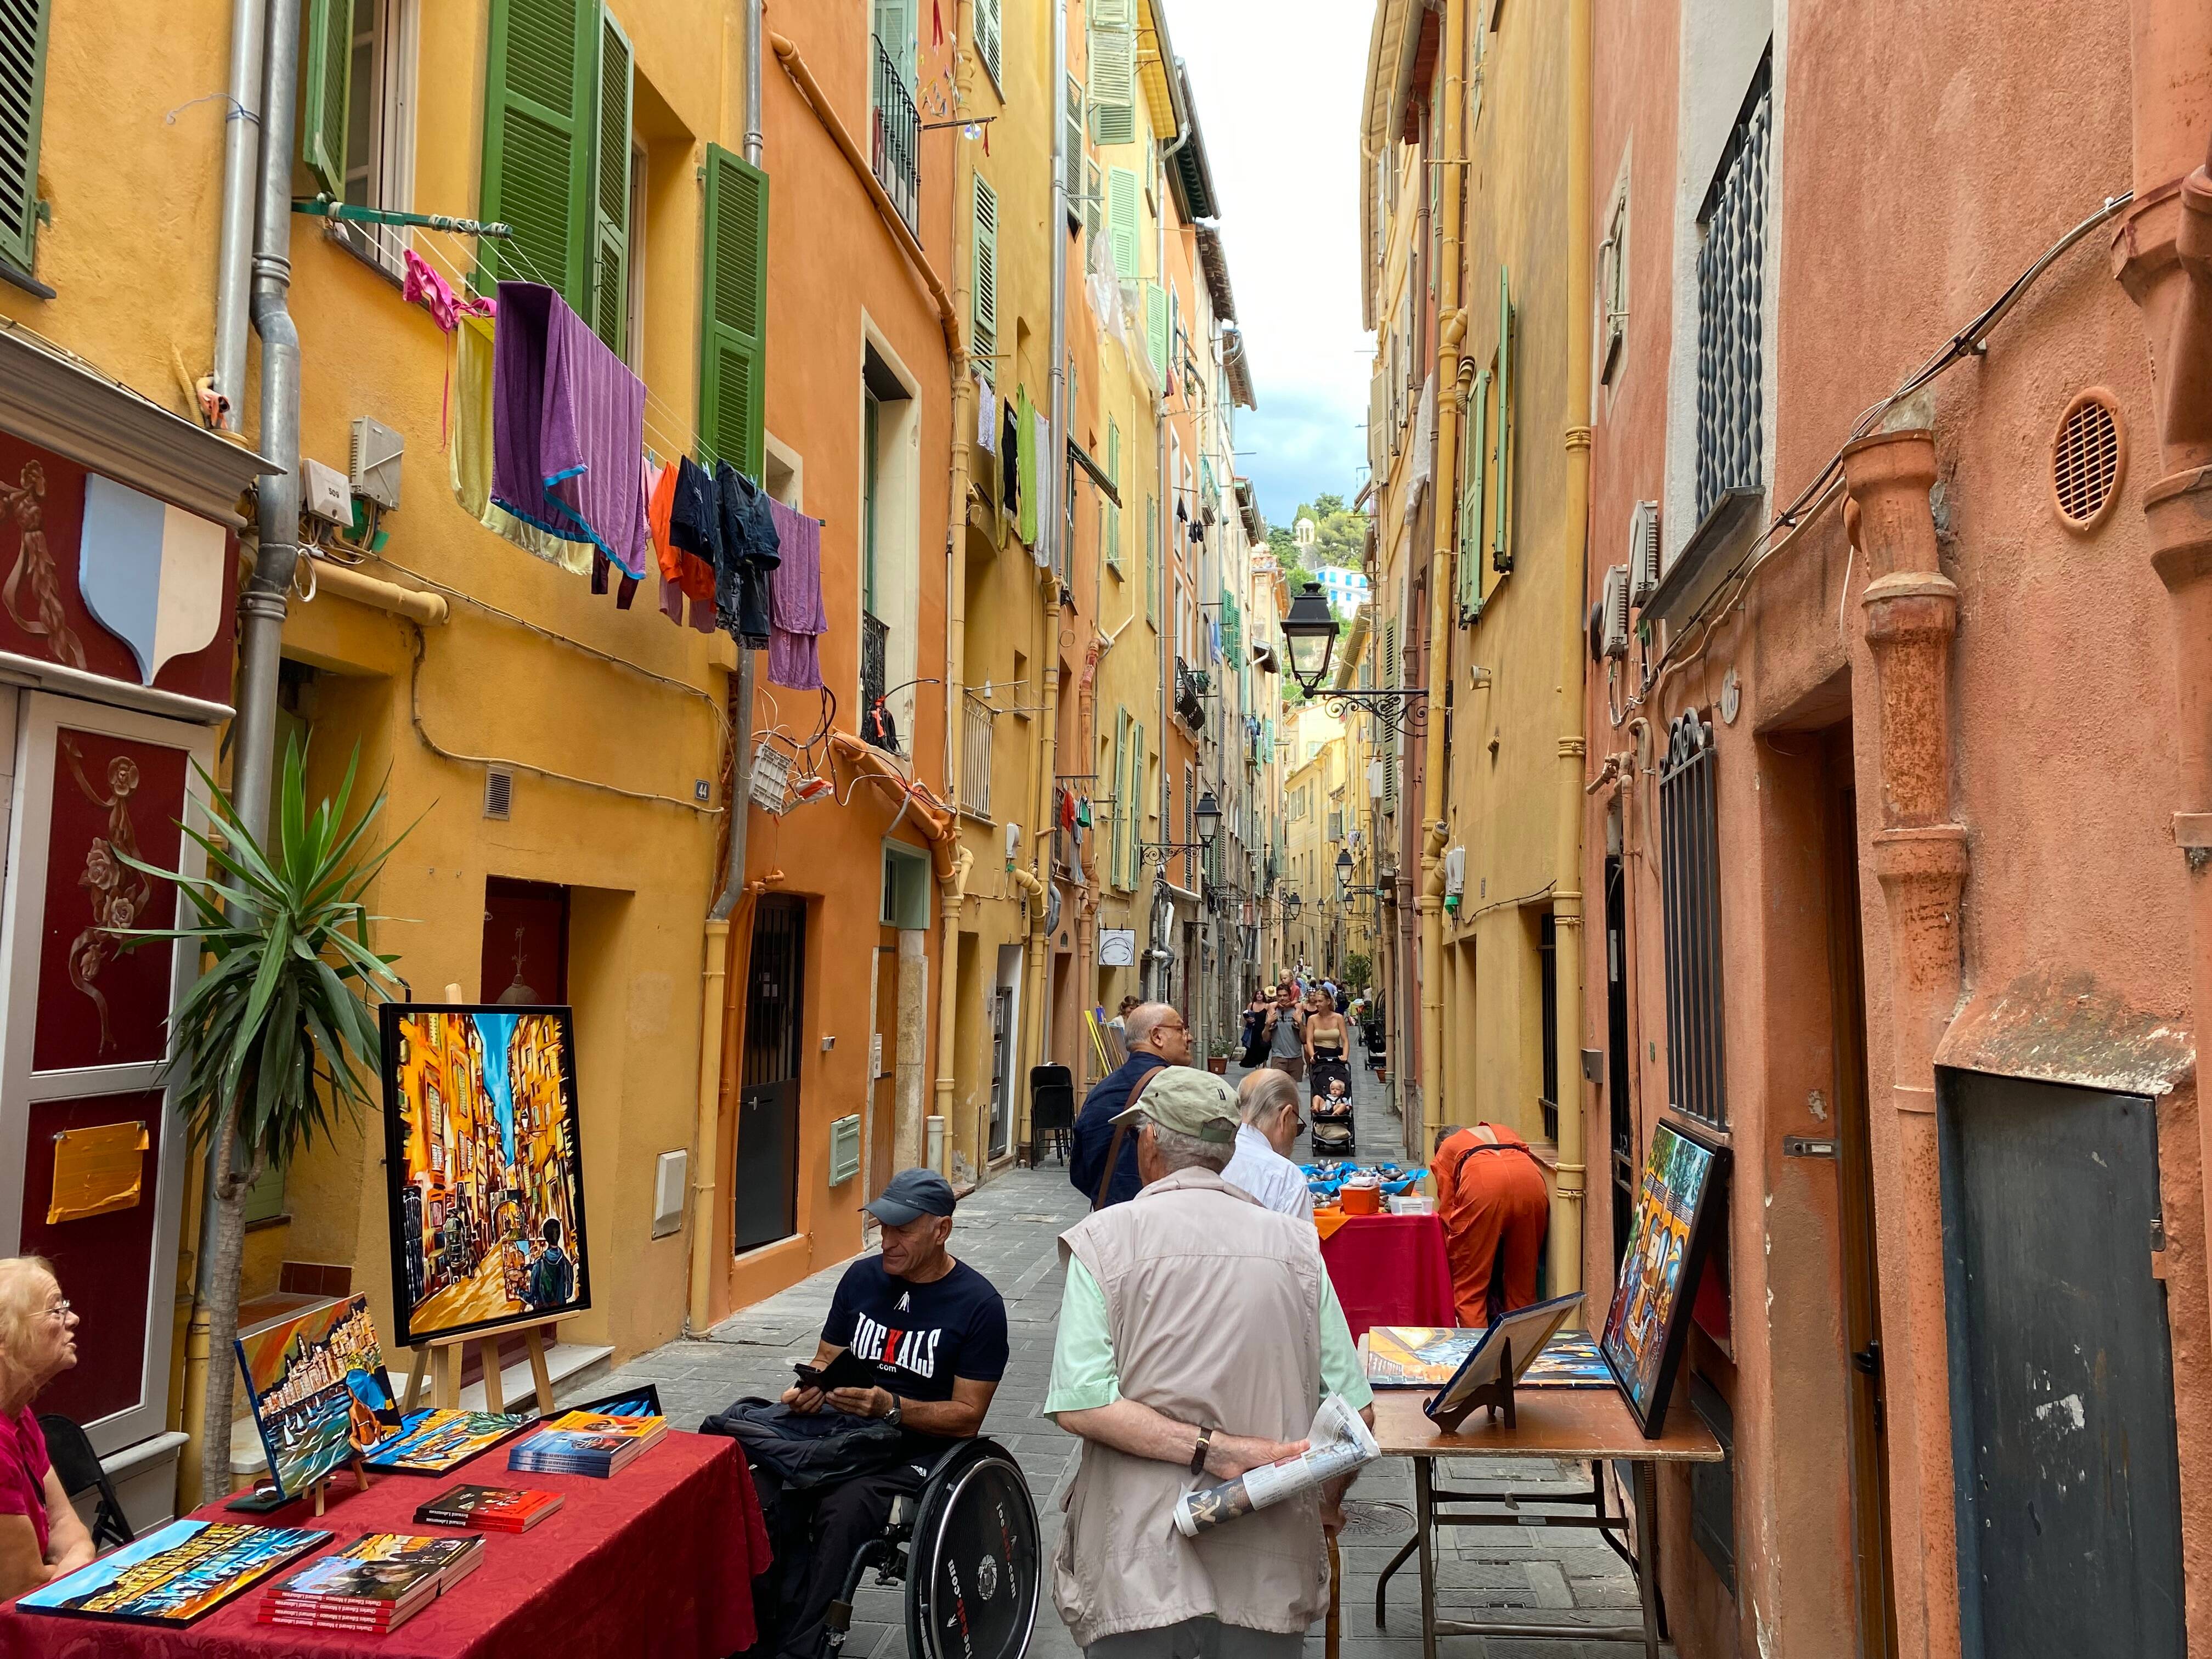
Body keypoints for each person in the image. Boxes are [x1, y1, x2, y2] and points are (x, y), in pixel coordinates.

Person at [1046, 1070, 1374, 1659]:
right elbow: (1359, 1413)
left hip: (1134, 1556)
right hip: (1267, 1554)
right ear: (1224, 1152)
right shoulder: (1299, 1248)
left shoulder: (1101, 1241)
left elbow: (1083, 1400)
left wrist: (1216, 1451)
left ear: (1149, 1145)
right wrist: (1324, 1499)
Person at [773, 1170, 1008, 1659]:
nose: (887, 1241)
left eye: (902, 1230)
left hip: (917, 1450)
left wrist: (893, 1407)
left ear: (941, 1230)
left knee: (843, 1509)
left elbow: (968, 1417)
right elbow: (825, 1357)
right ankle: (764, 1624)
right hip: (841, 1432)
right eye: (883, 1228)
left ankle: (804, 1647)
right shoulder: (862, 1279)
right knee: (763, 1489)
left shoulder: (978, 1305)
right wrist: (811, 1387)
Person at [0, 1259, 94, 1600]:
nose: (73, 1319)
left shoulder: (18, 1415)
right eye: (56, 1311)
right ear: (4, 1339)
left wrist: (70, 1564)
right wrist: (76, 1569)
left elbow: (66, 1527)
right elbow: (22, 1590)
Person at [1430, 1124, 1553, 1325]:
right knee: (1523, 1288)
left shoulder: (1447, 1149)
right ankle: (1523, 1351)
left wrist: (1455, 1257)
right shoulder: (1502, 1130)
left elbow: (1448, 1213)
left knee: (1470, 1292)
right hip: (1530, 1181)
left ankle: (1479, 1354)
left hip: (1483, 1185)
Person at [1070, 1002, 1190, 1207]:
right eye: (1180, 1029)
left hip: (1111, 1218)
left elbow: (1080, 1172)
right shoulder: (1179, 1088)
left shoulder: (1100, 1091)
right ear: (1157, 1036)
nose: (1188, 1037)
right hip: (1161, 1216)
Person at [1224, 1068, 1313, 1219]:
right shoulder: (1287, 1178)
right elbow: (1298, 1242)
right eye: (1297, 1126)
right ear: (1285, 1116)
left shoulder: (1208, 1154)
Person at [1303, 992, 1353, 1116]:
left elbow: (1345, 1040)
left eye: (1320, 1001)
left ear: (1328, 1001)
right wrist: (1312, 1056)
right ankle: (1319, 1109)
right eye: (1316, 1002)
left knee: (1339, 1082)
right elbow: (1309, 1040)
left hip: (1335, 1055)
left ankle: (1340, 1109)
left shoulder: (1338, 1018)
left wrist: (1345, 1056)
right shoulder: (1312, 1019)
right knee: (1319, 1086)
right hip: (1319, 1055)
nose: (1317, 1004)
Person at [525, 1216, 574, 1311]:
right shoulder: (567, 1264)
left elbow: (531, 1298)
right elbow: (568, 1294)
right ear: (559, 1235)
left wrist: (517, 1290)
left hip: (542, 1314)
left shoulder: (538, 1265)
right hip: (560, 1312)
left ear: (545, 1237)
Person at [1262, 983, 1305, 1084]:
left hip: (1296, 1058)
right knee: (1279, 1091)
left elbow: (1304, 1039)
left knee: (1294, 1092)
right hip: (1278, 1058)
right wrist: (1268, 1024)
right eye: (1280, 996)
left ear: (1290, 996)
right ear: (1276, 996)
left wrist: (1300, 1023)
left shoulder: (1298, 1013)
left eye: (1285, 995)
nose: (1282, 998)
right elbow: (1265, 1039)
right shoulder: (1272, 1013)